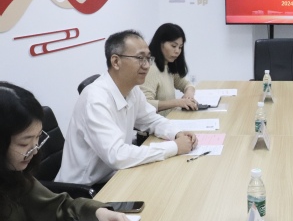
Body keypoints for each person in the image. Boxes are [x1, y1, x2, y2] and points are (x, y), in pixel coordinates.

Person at [0, 82, 135, 221]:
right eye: (24, 144)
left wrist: (98, 212)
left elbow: (56, 207)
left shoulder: (11, 174)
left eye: (38, 138)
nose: (34, 151)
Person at [56, 29, 197, 187]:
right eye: (140, 58)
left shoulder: (132, 89)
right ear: (116, 62)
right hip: (84, 189)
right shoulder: (95, 100)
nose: (146, 65)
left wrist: (177, 133)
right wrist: (175, 147)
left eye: (148, 58)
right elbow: (117, 155)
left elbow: (151, 119)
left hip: (115, 174)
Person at [141, 23, 197, 117]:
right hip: (156, 124)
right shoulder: (150, 68)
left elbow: (187, 84)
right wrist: (178, 102)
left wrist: (189, 94)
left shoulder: (168, 65)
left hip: (169, 121)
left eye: (180, 47)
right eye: (173, 46)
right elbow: (145, 104)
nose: (177, 51)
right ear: (160, 43)